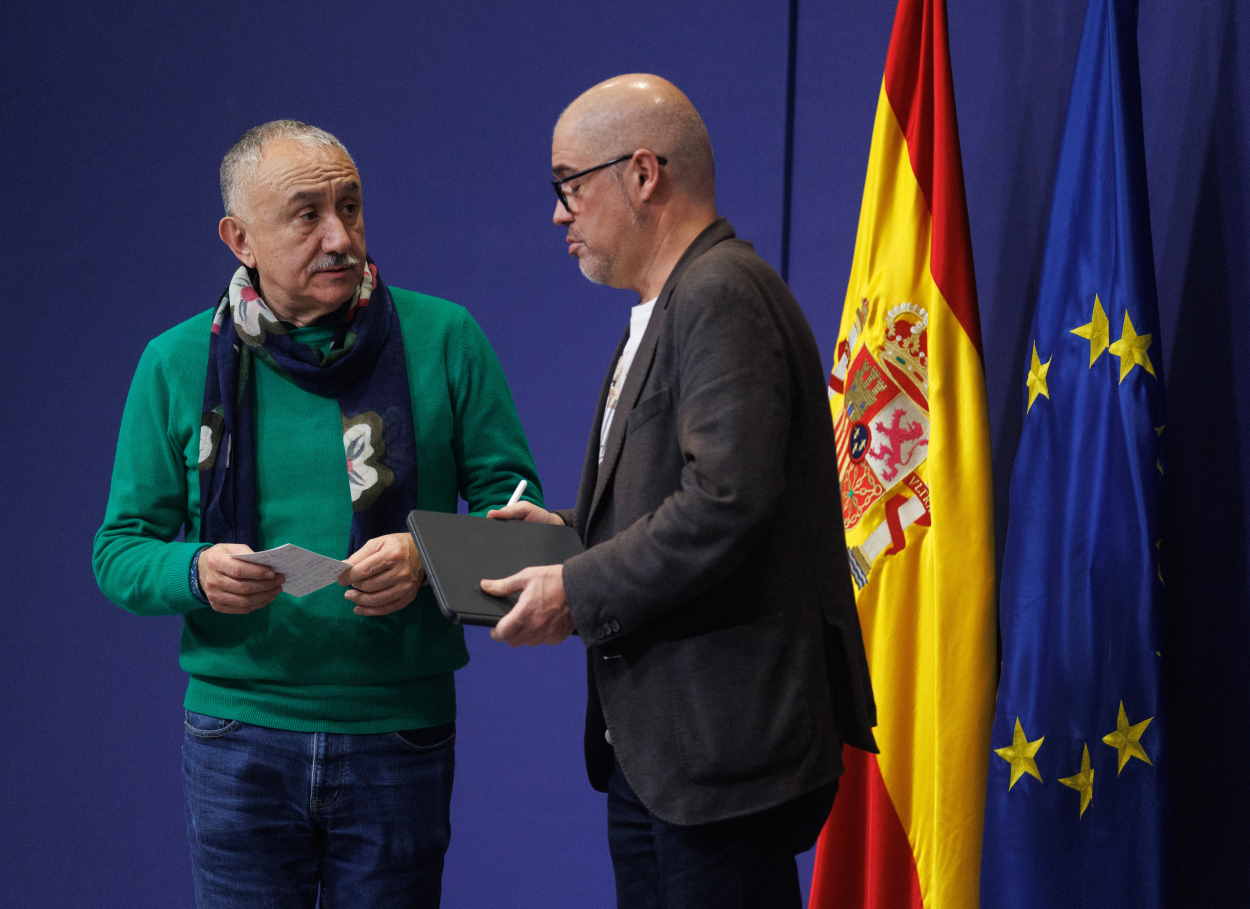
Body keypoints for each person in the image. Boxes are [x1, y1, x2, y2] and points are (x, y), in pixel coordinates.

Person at [92, 119, 542, 908]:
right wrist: (192, 571)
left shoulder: (446, 338)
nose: (341, 237)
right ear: (240, 238)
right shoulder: (174, 362)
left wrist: (428, 555)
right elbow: (120, 549)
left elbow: (529, 532)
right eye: (307, 214)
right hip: (237, 736)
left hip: (399, 731)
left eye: (352, 206)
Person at [480, 75, 877, 908]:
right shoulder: (675, 302)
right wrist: (567, 537)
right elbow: (682, 495)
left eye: (569, 185)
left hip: (721, 754)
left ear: (643, 173)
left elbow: (728, 502)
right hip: (665, 754)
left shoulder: (720, 294)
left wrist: (575, 587)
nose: (559, 213)